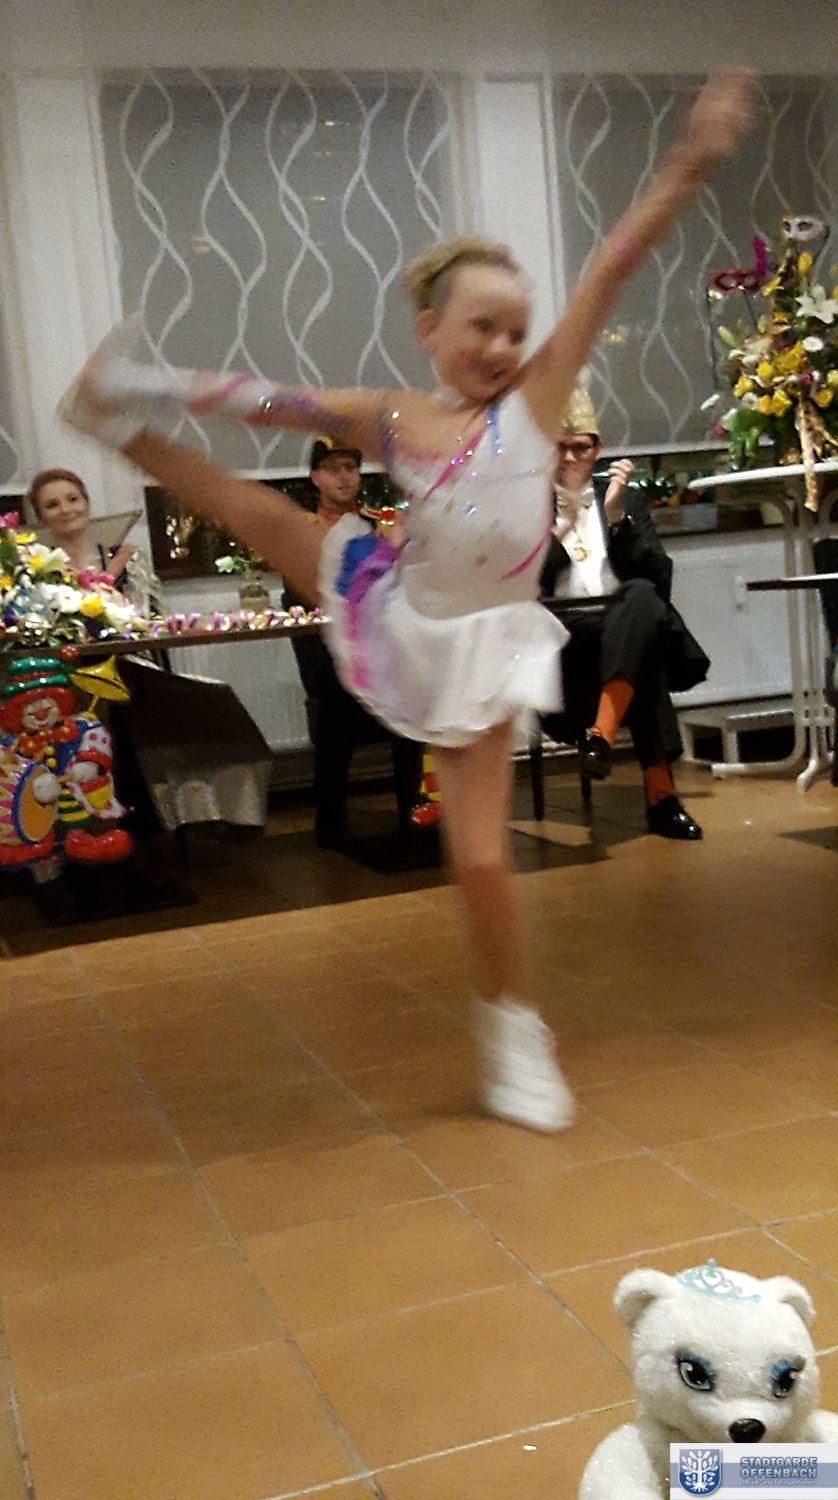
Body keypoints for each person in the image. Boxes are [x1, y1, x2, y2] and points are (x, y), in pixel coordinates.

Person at [58, 71, 754, 1132]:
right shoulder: (390, 415)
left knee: (477, 856)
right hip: (398, 608)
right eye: (481, 327)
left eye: (515, 330)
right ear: (430, 328)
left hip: (482, 644)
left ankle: (514, 1034)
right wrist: (144, 382)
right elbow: (263, 402)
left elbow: (613, 264)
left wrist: (689, 162)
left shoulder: (534, 397)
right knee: (255, 508)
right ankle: (108, 418)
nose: (502, 348)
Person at [539, 388, 708, 839]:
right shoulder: (527, 506)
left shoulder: (624, 502)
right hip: (562, 639)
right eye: (560, 447)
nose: (570, 457)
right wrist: (560, 527)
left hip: (622, 625)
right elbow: (522, 584)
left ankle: (602, 737)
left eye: (581, 447)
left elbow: (660, 578)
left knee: (641, 597)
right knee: (644, 645)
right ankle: (660, 796)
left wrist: (615, 518)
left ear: (598, 450)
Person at [283, 437, 424, 849]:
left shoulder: (378, 527)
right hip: (326, 651)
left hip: (376, 646)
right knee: (338, 693)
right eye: (333, 469)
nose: (344, 477)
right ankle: (330, 822)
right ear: (315, 478)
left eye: (350, 468)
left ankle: (414, 810)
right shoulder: (303, 533)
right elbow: (301, 596)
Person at [27, 468, 136, 583]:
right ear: (40, 517)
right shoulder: (35, 571)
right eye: (52, 505)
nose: (65, 510)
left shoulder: (128, 562)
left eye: (73, 499)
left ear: (87, 504)